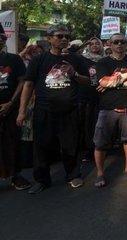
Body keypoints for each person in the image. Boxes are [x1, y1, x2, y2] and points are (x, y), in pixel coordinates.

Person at [16, 24, 89, 194]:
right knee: (41, 147)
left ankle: (72, 175)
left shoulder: (76, 59)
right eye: (59, 36)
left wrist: (74, 74)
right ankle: (41, 180)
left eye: (66, 36)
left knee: (70, 146)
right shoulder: (39, 60)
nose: (64, 39)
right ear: (50, 39)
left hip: (69, 110)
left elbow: (88, 81)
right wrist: (21, 111)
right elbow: (28, 85)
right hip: (44, 111)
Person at [93, 33, 127, 187]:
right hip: (108, 108)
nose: (120, 44)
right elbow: (102, 81)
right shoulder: (103, 62)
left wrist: (112, 82)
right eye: (116, 42)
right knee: (101, 143)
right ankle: (100, 173)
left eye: (123, 42)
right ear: (110, 44)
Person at [0, 23, 30, 191]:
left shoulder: (14, 59)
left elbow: (22, 82)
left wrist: (11, 103)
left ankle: (15, 176)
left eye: (1, 38)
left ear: (5, 41)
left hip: (10, 109)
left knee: (12, 144)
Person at [78, 37, 104, 162]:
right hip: (85, 95)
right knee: (85, 123)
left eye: (97, 44)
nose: (94, 46)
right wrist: (82, 44)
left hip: (100, 95)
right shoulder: (83, 59)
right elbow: (70, 54)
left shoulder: (105, 60)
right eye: (91, 44)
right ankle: (86, 149)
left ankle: (96, 148)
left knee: (97, 124)